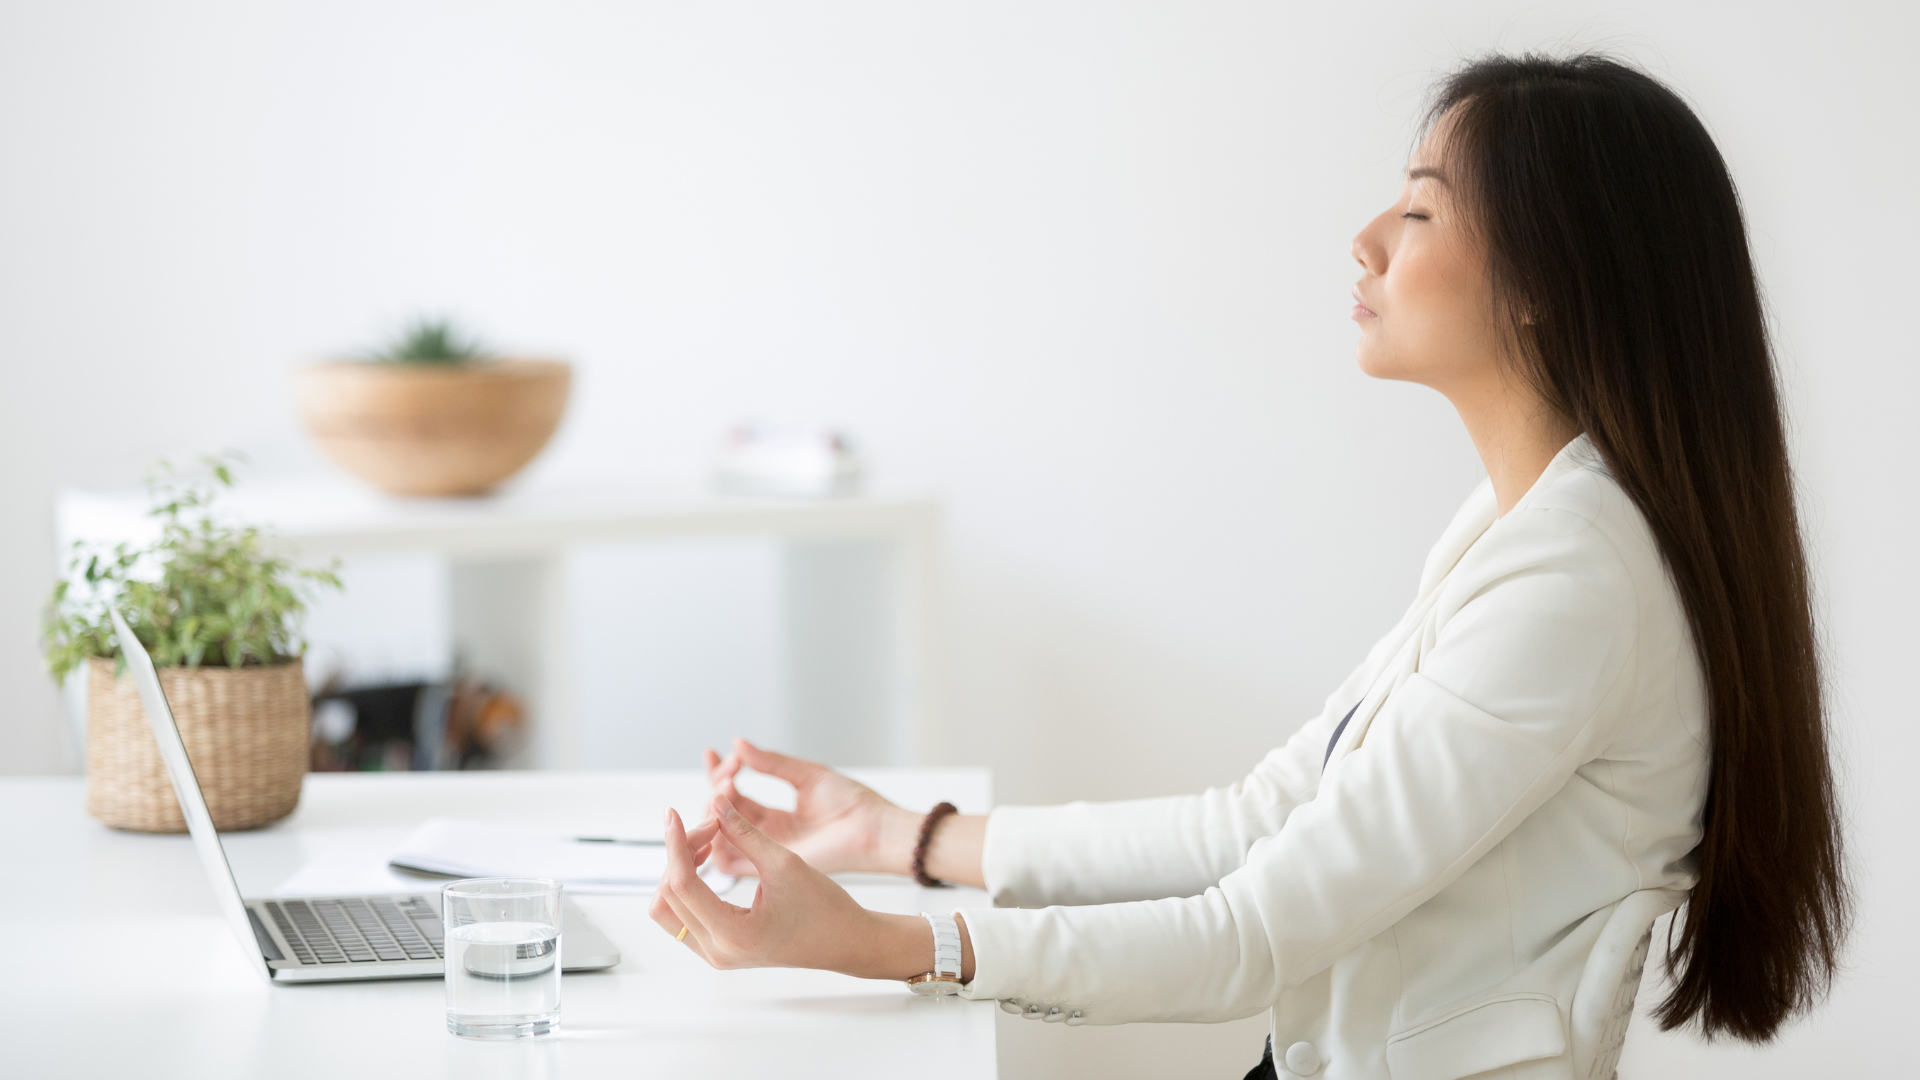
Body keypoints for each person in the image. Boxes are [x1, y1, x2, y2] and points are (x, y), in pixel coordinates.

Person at [648, 53, 1848, 1079]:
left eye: (1421, 212)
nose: (1369, 240)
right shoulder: (1524, 524)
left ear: (1546, 285)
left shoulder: (1578, 584)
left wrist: (886, 945)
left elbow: (1249, 935)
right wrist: (902, 835)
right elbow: (1266, 820)